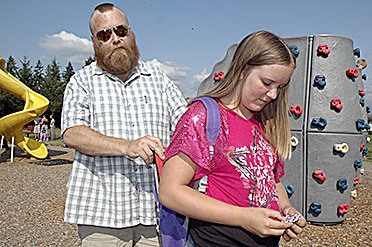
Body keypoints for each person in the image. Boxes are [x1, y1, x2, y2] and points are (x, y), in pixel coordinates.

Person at [158, 31, 307, 247]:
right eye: (267, 83)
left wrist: (285, 208)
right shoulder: (205, 116)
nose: (273, 95)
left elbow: (272, 180)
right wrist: (243, 217)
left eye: (281, 87)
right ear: (241, 70)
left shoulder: (267, 122)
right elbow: (170, 192)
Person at [61, 3, 186, 246]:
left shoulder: (157, 77)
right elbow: (72, 134)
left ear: (131, 32)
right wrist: (128, 146)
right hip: (101, 217)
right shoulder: (81, 81)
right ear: (95, 42)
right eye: (105, 35)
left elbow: (186, 123)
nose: (115, 39)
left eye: (121, 31)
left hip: (156, 214)